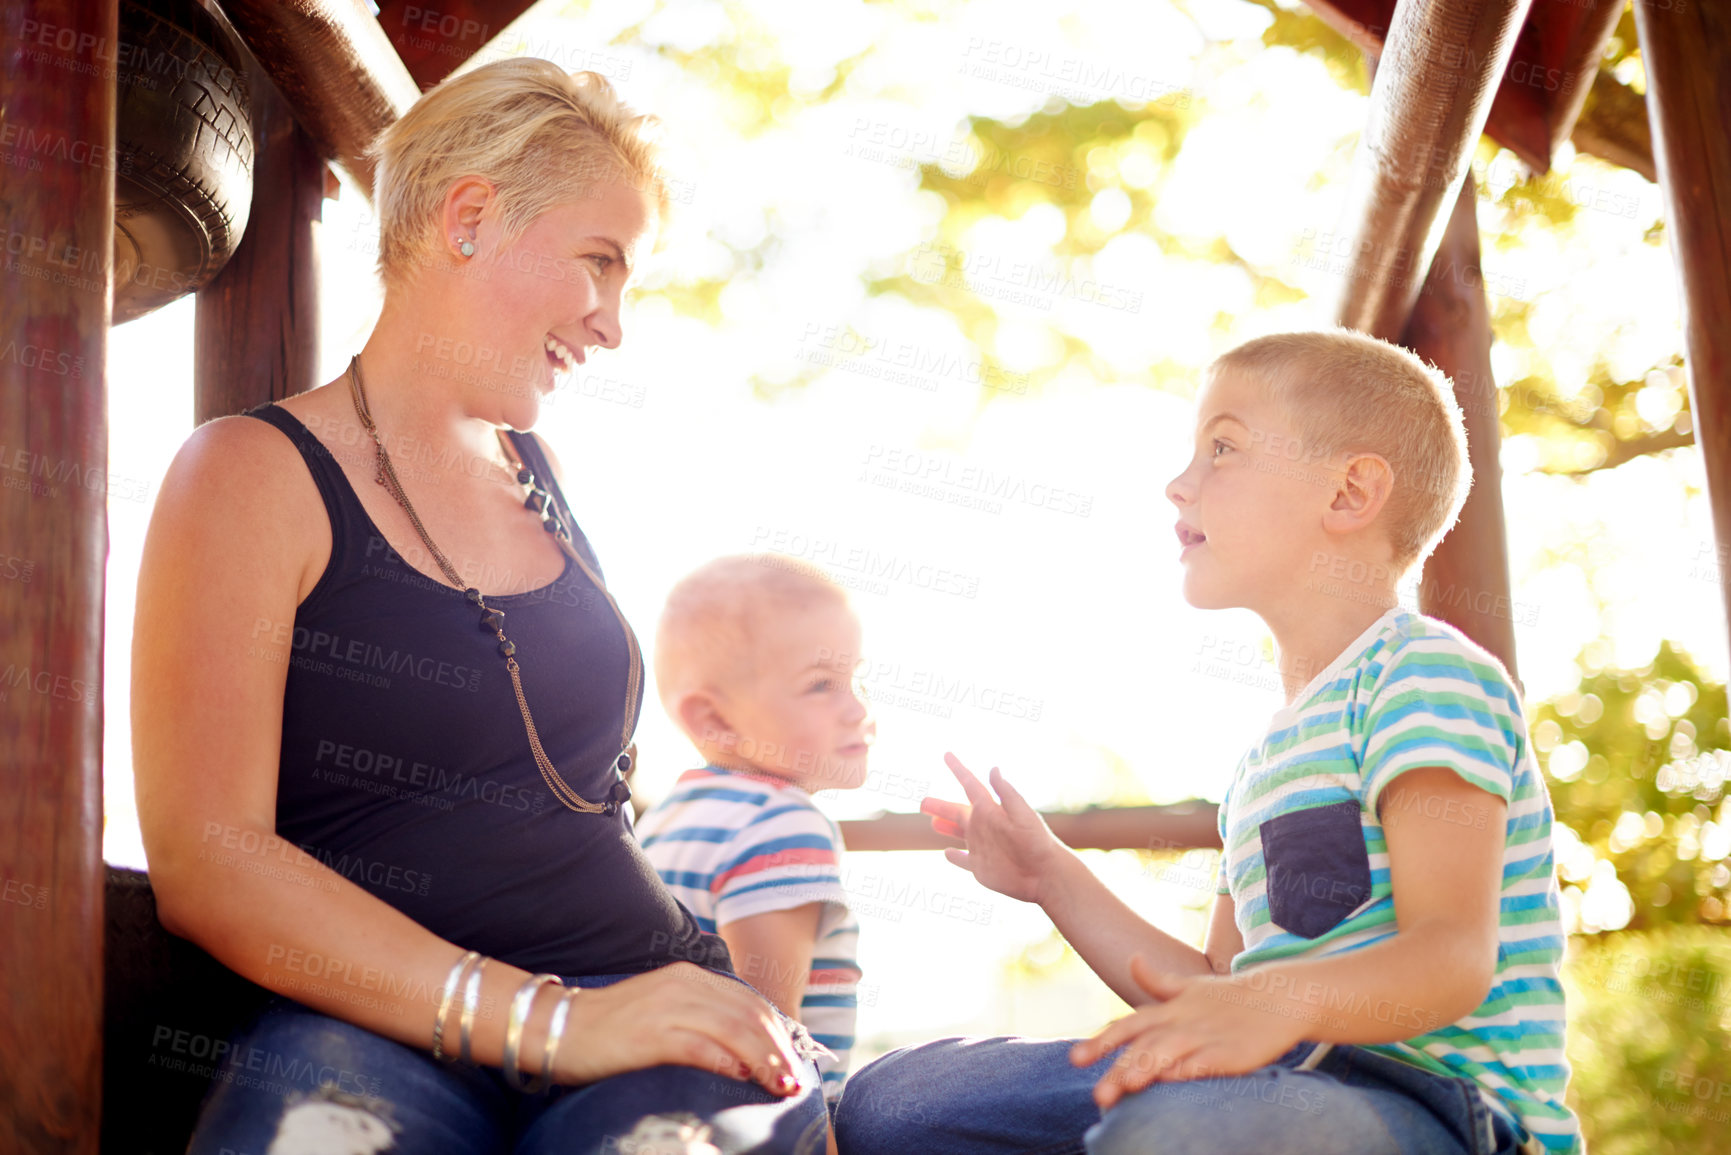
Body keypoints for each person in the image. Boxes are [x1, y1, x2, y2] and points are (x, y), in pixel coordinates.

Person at [133, 58, 827, 1155]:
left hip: (650, 1001)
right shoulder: (249, 475)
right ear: (469, 217)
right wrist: (554, 1023)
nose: (613, 326)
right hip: (367, 1028)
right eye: (600, 263)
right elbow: (211, 858)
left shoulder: (539, 467)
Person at [837, 330, 1579, 1155]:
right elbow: (1215, 991)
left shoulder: (1425, 676)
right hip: (1274, 1079)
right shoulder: (1265, 759)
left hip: (1438, 1110)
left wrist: (1276, 1007)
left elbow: (1450, 958)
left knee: (1179, 1129)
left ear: (1348, 493)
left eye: (1221, 447)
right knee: (892, 1102)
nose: (1176, 483)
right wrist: (1052, 876)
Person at [635, 555, 873, 1111]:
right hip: (754, 1118)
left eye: (856, 678)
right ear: (713, 721)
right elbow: (768, 1035)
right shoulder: (784, 824)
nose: (858, 708)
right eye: (821, 685)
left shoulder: (665, 818)